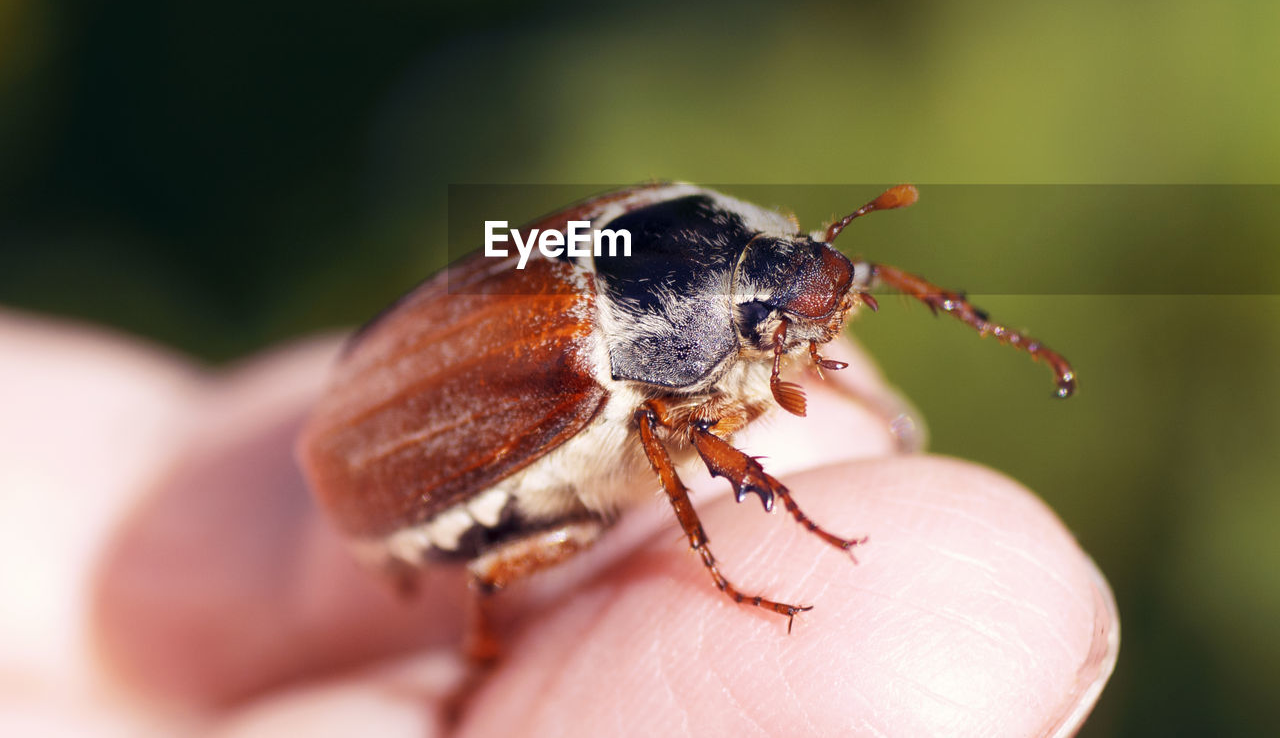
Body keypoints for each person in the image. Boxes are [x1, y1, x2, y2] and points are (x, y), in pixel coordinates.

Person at [0, 309, 1116, 735]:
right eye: (773, 325)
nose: (799, 346)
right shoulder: (605, 361)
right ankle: (480, 657)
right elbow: (680, 450)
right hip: (405, 485)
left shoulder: (656, 266)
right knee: (520, 549)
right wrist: (734, 552)